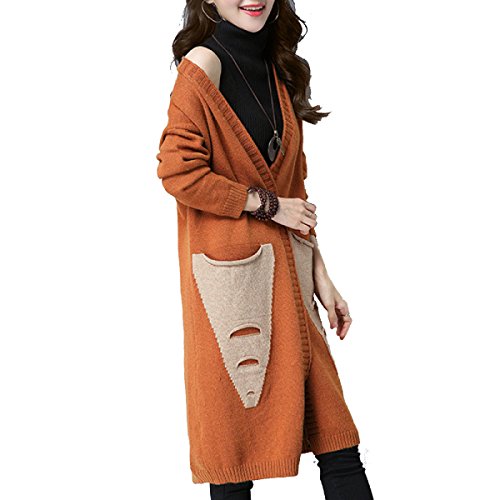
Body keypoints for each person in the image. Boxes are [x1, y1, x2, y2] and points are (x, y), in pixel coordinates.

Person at [156, 1, 374, 498]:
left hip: (291, 281)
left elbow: (294, 190)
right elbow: (177, 170)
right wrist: (268, 206)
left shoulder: (278, 68)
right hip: (231, 289)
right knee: (232, 458)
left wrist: (321, 275)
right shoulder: (203, 65)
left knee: (338, 442)